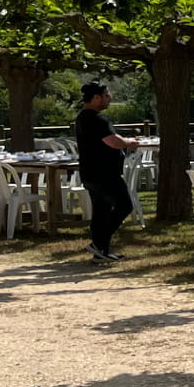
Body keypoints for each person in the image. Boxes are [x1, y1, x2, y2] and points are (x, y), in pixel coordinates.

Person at [74, 82, 137, 262]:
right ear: (96, 98)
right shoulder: (97, 119)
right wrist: (129, 143)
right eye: (106, 96)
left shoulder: (82, 118)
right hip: (104, 174)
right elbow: (112, 141)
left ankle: (101, 252)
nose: (109, 99)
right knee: (124, 205)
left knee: (101, 211)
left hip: (90, 173)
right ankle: (99, 243)